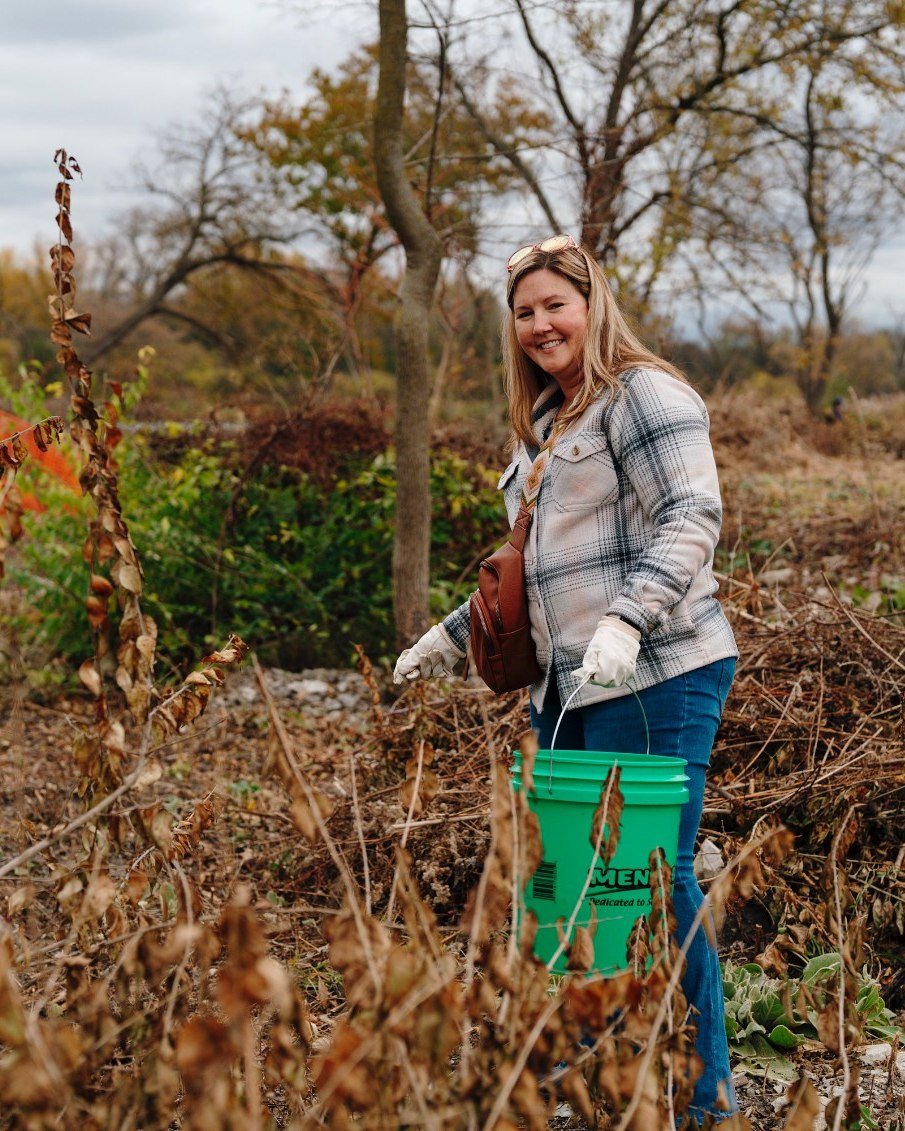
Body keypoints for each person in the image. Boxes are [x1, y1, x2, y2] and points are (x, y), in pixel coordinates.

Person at [393, 234, 739, 1123]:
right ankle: (585, 1066)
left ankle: (706, 1093)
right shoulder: (549, 423)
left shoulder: (644, 395)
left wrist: (629, 618)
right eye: (524, 312)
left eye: (556, 304)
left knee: (651, 874)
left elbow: (693, 512)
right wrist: (448, 633)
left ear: (591, 305)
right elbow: (539, 566)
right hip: (571, 688)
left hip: (657, 670)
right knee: (571, 882)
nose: (540, 323)